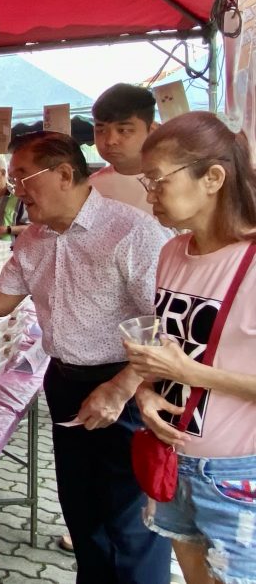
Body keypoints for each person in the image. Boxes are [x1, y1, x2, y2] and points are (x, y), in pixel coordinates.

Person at [0, 131, 173, 584]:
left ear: (65, 174)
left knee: (130, 525)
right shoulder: (36, 239)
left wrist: (122, 388)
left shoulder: (132, 233)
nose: (14, 188)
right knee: (82, 512)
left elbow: (165, 323)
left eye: (24, 176)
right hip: (65, 385)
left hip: (126, 389)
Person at [123, 112, 256, 584]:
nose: (150, 194)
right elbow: (169, 349)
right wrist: (145, 393)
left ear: (213, 178)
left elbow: (187, 364)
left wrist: (194, 374)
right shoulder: (171, 253)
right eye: (147, 181)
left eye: (158, 180)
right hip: (174, 459)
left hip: (238, 475)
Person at [90, 83, 158, 212]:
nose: (110, 141)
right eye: (101, 130)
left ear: (152, 131)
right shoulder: (91, 189)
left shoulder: (173, 185)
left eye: (123, 130)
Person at [0, 156, 29, 241]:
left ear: (3, 172)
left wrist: (7, 229)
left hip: (10, 250)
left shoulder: (19, 196)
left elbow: (30, 228)